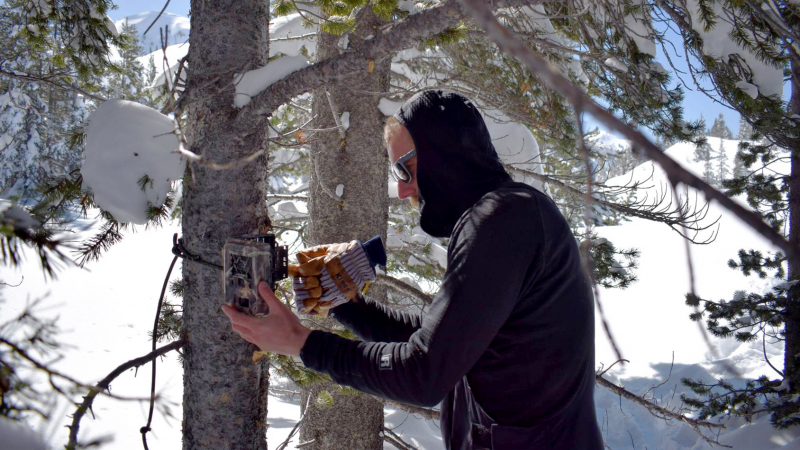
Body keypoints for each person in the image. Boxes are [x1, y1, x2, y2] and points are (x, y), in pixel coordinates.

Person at [222, 90, 603, 449]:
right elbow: (437, 337)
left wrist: (302, 343)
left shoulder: (502, 219)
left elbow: (425, 374)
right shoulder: (506, 216)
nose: (403, 191)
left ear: (444, 153)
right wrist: (346, 304)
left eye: (406, 170)